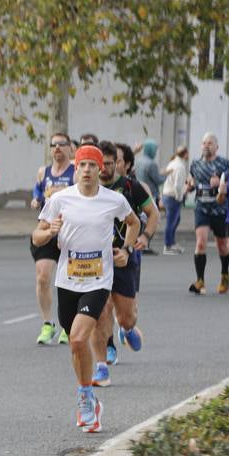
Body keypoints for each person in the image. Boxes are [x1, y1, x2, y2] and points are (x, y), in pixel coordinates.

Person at [31, 144, 138, 434]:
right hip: (67, 281)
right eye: (83, 165)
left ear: (99, 169)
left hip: (99, 280)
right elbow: (37, 235)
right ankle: (86, 392)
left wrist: (126, 249)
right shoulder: (59, 199)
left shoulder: (113, 200)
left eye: (93, 165)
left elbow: (134, 222)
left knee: (78, 339)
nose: (88, 170)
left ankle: (85, 398)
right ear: (75, 169)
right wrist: (49, 231)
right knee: (74, 339)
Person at [92, 141, 157, 384]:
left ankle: (126, 328)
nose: (105, 168)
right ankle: (101, 365)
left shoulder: (130, 187)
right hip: (96, 261)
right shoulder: (88, 187)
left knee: (126, 316)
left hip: (123, 258)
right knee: (101, 310)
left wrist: (143, 238)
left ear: (118, 163)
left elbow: (153, 214)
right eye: (103, 164)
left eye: (110, 163)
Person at [29, 133, 76, 345]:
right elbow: (38, 189)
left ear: (70, 148)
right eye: (53, 145)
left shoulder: (76, 171)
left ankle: (70, 323)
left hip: (71, 229)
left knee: (72, 279)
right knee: (43, 277)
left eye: (61, 144)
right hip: (48, 225)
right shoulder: (43, 171)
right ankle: (48, 324)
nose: (57, 148)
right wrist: (36, 199)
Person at [185, 133, 229, 294]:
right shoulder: (195, 164)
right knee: (201, 243)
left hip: (219, 209)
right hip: (202, 208)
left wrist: (220, 182)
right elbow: (192, 180)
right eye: (204, 142)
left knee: (222, 245)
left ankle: (225, 275)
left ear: (216, 147)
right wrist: (189, 186)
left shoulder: (225, 164)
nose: (206, 145)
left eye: (210, 143)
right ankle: (200, 281)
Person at [161, 146, 189, 254]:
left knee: (175, 220)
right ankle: (168, 245)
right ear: (185, 154)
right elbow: (177, 185)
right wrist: (180, 197)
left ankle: (171, 242)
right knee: (171, 221)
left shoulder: (172, 163)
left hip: (167, 194)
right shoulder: (180, 166)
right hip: (173, 196)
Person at [133, 140, 163, 215]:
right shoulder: (151, 164)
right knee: (152, 217)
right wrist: (166, 176)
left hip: (139, 192)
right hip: (151, 195)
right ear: (150, 150)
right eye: (155, 150)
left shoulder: (138, 161)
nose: (155, 153)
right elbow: (158, 180)